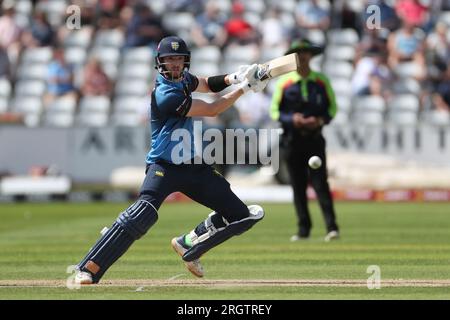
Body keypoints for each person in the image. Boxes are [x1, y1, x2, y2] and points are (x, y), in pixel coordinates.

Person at [74, 36, 268, 284]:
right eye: (169, 60)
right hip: (164, 166)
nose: (175, 64)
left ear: (185, 61)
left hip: (192, 166)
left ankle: (188, 242)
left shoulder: (184, 80)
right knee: (141, 213)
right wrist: (246, 88)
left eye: (178, 59)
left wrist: (235, 78)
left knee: (240, 215)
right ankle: (88, 269)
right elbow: (212, 109)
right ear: (160, 63)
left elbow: (208, 84)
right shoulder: (166, 94)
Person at [270, 39, 339, 242]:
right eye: (298, 53)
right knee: (298, 186)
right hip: (292, 141)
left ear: (311, 55)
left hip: (314, 139)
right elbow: (274, 111)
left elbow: (332, 108)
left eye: (305, 52)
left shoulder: (321, 80)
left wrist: (319, 120)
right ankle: (303, 229)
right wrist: (294, 119)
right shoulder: (284, 82)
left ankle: (332, 227)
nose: (302, 56)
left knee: (320, 184)